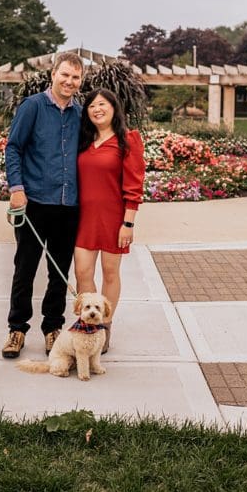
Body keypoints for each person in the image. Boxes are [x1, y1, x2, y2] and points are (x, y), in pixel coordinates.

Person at [2, 51, 84, 359]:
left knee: (59, 271)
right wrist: (17, 188)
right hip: (34, 201)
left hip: (68, 205)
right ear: (53, 74)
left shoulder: (80, 114)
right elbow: (14, 147)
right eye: (65, 74)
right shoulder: (33, 107)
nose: (69, 81)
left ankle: (53, 328)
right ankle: (17, 329)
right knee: (24, 269)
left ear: (80, 80)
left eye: (75, 77)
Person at [73, 87, 145, 354]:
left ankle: (105, 325)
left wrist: (128, 223)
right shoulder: (83, 141)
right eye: (92, 106)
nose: (97, 109)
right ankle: (88, 322)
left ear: (114, 108)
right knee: (82, 272)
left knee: (111, 273)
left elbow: (135, 185)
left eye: (102, 104)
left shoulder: (128, 140)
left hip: (115, 218)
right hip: (84, 218)